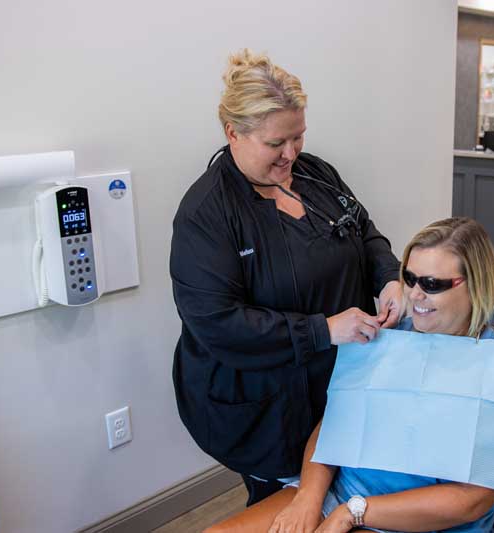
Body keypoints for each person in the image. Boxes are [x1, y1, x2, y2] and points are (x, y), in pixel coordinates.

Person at [170, 49, 403, 507]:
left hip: (336, 380)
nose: (291, 153)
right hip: (265, 402)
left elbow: (365, 232)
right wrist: (325, 329)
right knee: (285, 502)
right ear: (233, 133)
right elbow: (218, 323)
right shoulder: (206, 215)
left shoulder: (316, 174)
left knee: (339, 487)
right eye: (276, 143)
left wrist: (389, 277)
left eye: (298, 137)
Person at [204, 217, 494, 533]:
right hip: (341, 495)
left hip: (422, 521)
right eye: (409, 278)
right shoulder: (385, 338)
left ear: (475, 284)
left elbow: (471, 500)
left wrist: (354, 512)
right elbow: (331, 428)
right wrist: (308, 497)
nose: (415, 295)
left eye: (432, 284)